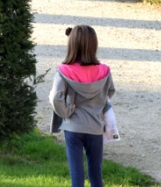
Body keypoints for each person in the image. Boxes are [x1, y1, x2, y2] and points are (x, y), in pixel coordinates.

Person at [49, 25, 115, 187]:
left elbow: (55, 98)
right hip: (96, 126)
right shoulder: (104, 70)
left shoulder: (63, 70)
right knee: (96, 174)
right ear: (93, 45)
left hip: (73, 127)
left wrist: (68, 111)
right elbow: (110, 91)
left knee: (77, 177)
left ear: (71, 44)